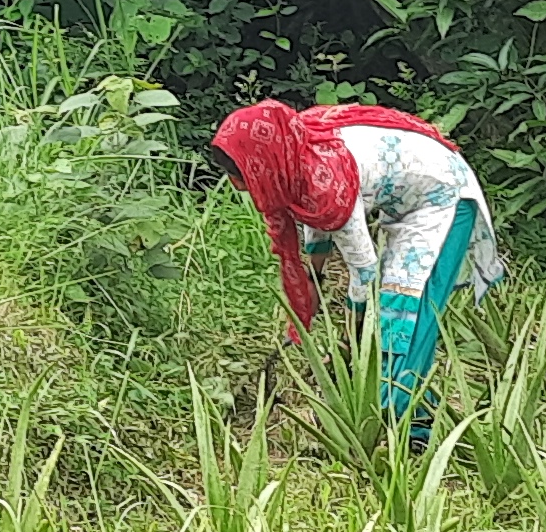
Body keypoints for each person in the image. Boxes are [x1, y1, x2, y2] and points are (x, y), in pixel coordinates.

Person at [211, 99, 508, 418]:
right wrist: (313, 279)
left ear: (265, 164)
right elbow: (315, 218)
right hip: (406, 203)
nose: (237, 185)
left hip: (443, 197)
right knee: (393, 312)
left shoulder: (331, 183)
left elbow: (365, 274)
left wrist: (349, 342)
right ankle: (402, 410)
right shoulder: (296, 151)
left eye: (240, 175)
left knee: (402, 311)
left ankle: (406, 424)